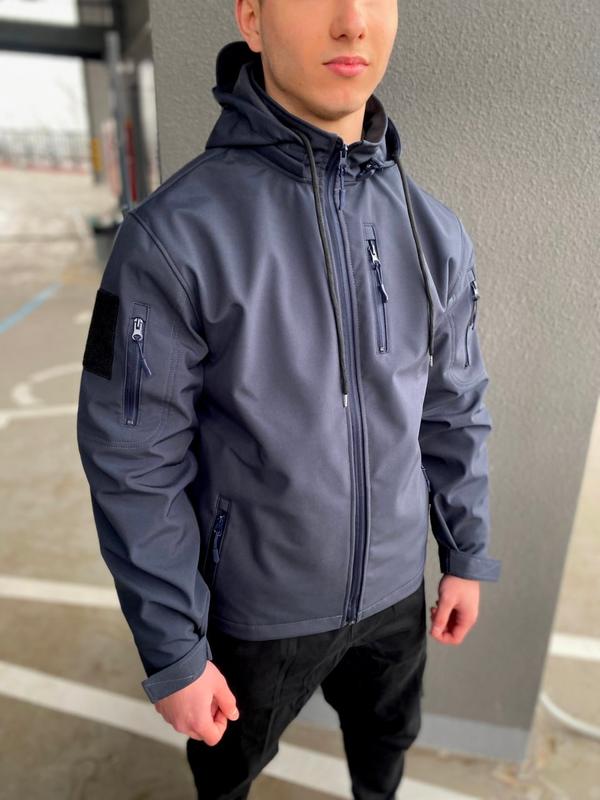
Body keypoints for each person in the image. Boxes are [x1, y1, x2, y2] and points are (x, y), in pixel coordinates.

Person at [76, 1, 502, 797]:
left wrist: (465, 552)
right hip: (256, 612)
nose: (352, 21)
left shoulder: (431, 230)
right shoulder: (175, 238)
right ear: (253, 16)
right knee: (228, 773)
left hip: (397, 591)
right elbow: (132, 460)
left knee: (386, 744)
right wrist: (174, 649)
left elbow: (454, 405)